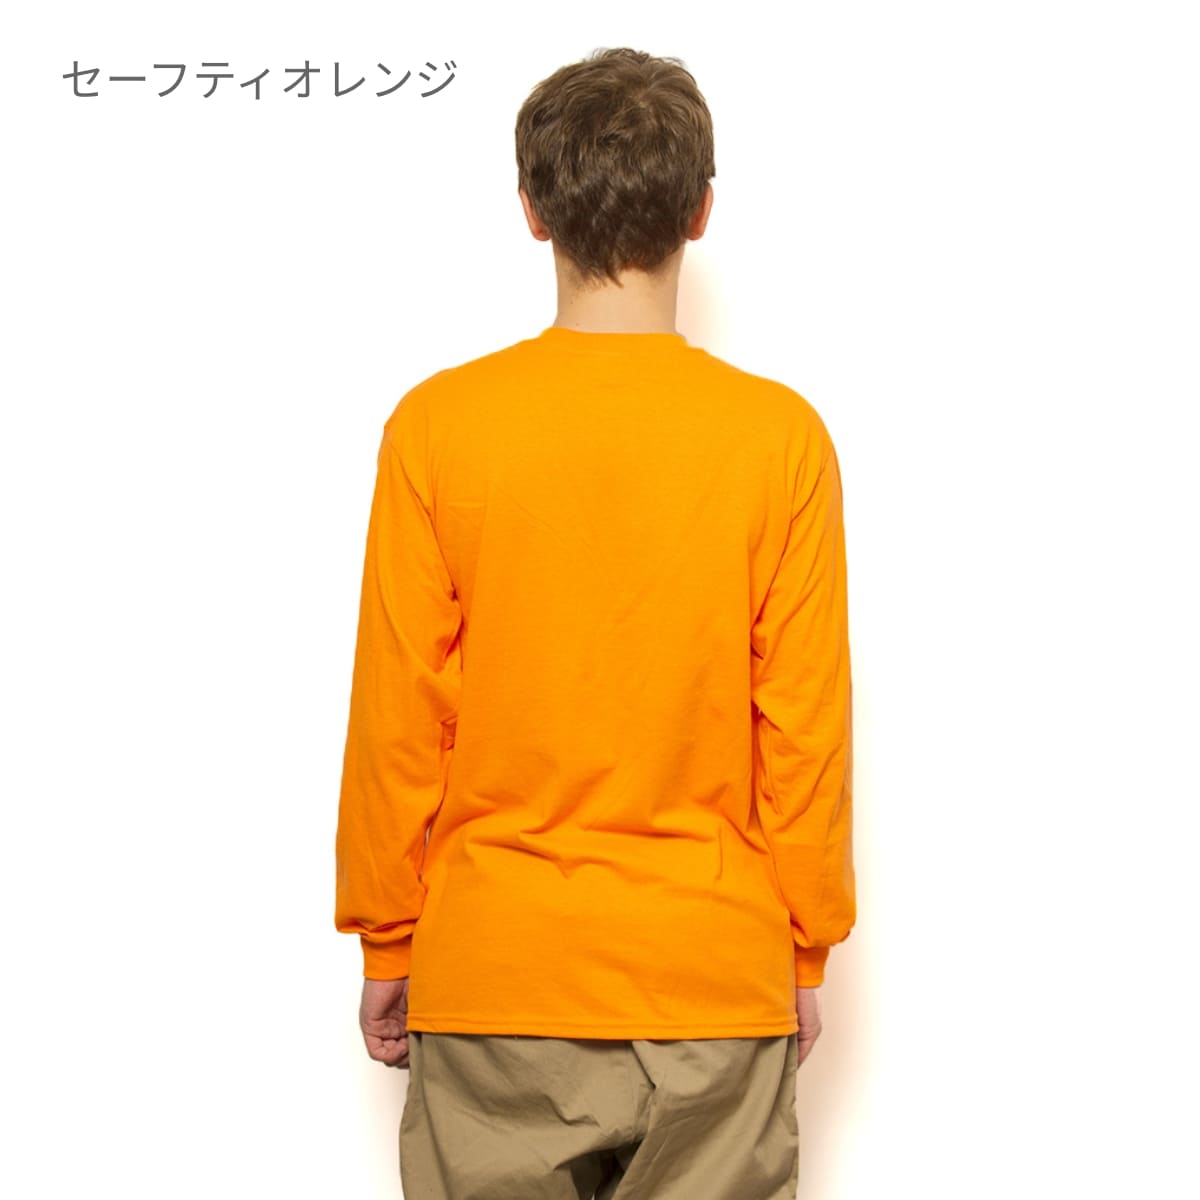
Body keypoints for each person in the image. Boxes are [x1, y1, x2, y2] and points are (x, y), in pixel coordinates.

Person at [334, 46, 856, 1200]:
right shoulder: (779, 440)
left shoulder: (439, 427)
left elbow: (397, 715)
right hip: (712, 975)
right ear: (702, 209)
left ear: (532, 209)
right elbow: (806, 729)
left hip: (495, 974)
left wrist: (389, 938)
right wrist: (805, 948)